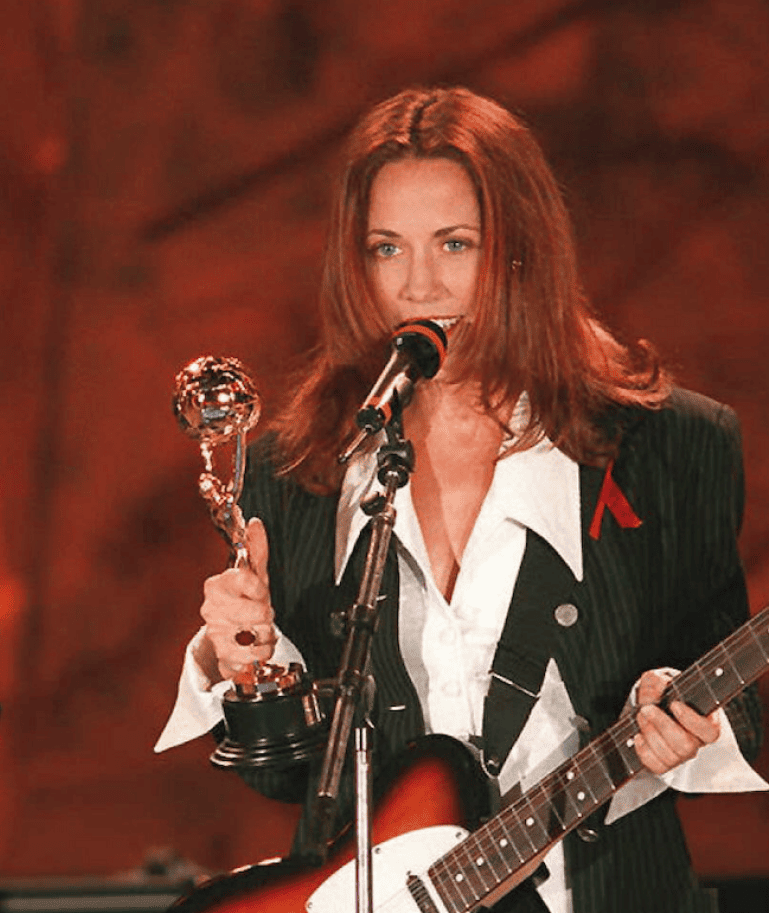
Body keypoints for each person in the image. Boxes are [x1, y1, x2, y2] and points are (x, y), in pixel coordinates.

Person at [157, 86, 765, 913]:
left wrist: (682, 722)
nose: (418, 285)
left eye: (454, 244)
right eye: (385, 249)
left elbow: (744, 687)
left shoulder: (669, 447)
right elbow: (287, 781)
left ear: (520, 251)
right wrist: (244, 663)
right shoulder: (297, 469)